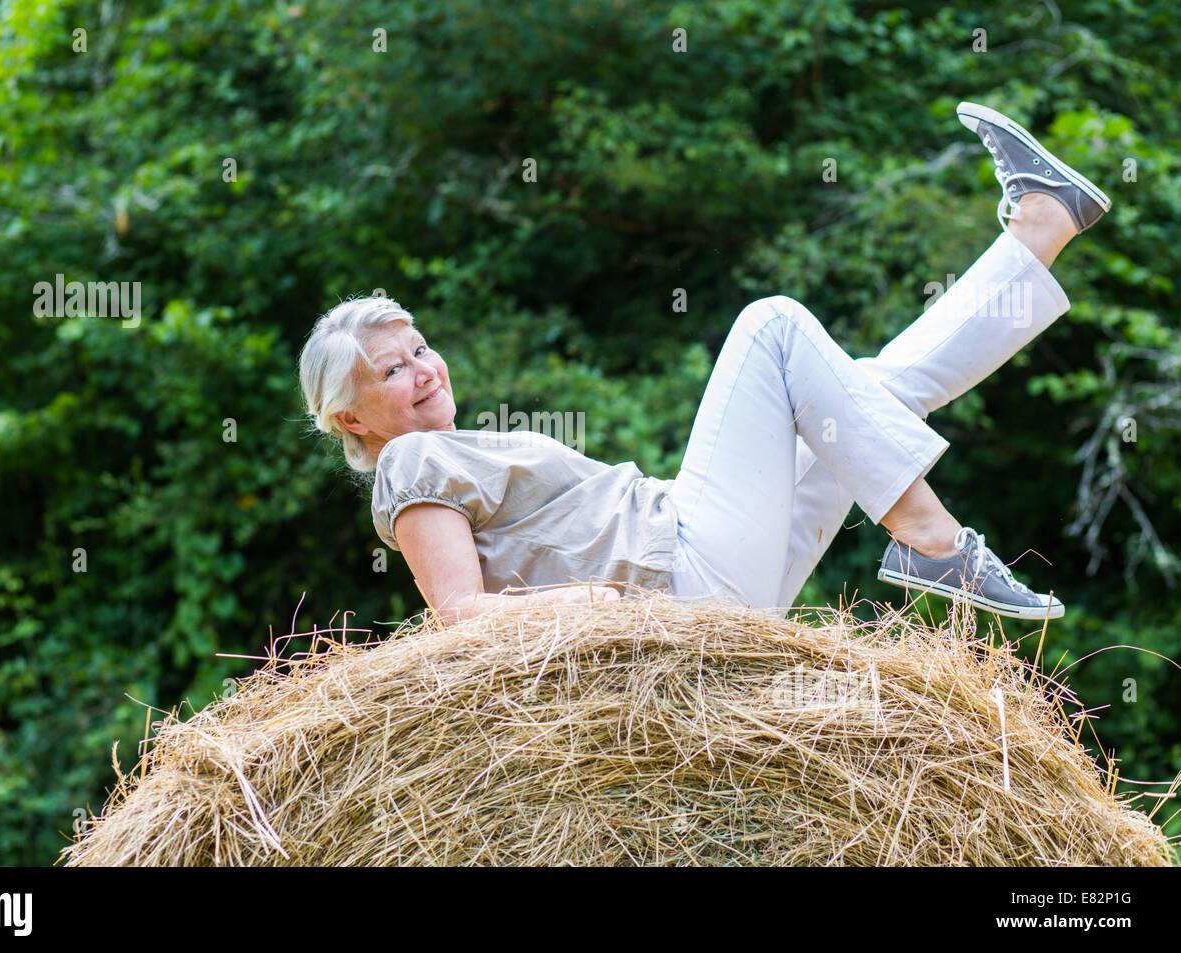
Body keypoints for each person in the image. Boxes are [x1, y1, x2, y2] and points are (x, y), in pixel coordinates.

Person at [298, 102, 1111, 626]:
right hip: (680, 576)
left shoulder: (451, 448)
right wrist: (596, 603)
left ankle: (1041, 226)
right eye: (393, 371)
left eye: (419, 349)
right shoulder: (407, 462)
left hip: (706, 581)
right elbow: (461, 618)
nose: (423, 368)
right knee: (772, 326)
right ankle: (937, 547)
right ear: (351, 419)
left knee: (864, 393)